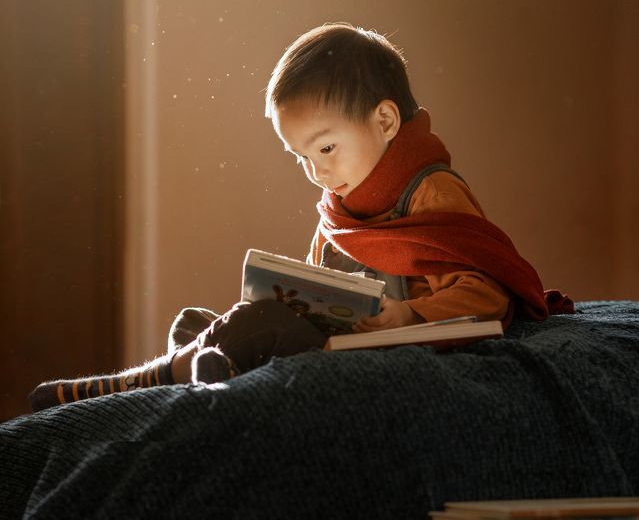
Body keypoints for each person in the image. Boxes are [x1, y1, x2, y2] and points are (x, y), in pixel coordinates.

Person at [28, 23, 572, 412]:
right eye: (301, 158)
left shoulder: (430, 191)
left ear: (384, 120)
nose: (316, 172)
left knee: (253, 331)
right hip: (340, 342)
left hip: (397, 349)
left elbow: (487, 295)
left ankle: (145, 381)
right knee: (215, 319)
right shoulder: (339, 203)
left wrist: (409, 317)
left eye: (326, 148)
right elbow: (322, 283)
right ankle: (196, 362)